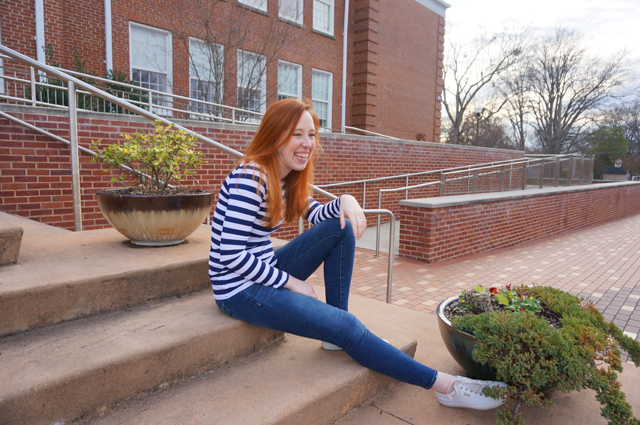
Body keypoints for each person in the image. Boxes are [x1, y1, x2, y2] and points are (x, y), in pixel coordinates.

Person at [208, 98, 507, 410]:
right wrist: (290, 282)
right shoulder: (250, 177)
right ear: (274, 136)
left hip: (262, 269)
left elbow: (320, 215)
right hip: (238, 291)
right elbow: (230, 255)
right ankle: (446, 386)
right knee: (349, 327)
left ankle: (336, 330)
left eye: (311, 135)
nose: (307, 143)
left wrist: (346, 200)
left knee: (341, 227)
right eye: (297, 134)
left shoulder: (285, 177)